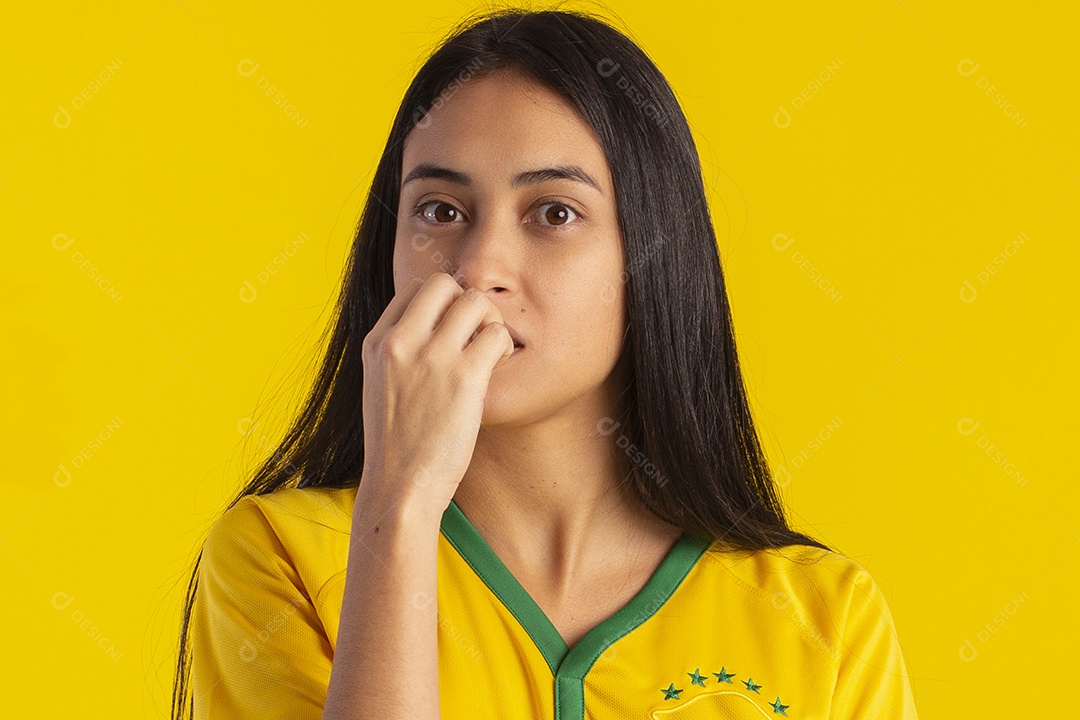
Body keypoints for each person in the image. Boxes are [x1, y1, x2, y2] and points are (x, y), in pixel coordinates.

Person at [172, 7, 919, 720]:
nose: (479, 266)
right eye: (439, 210)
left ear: (651, 256)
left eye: (554, 213)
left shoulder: (826, 620)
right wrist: (399, 506)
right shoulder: (277, 560)